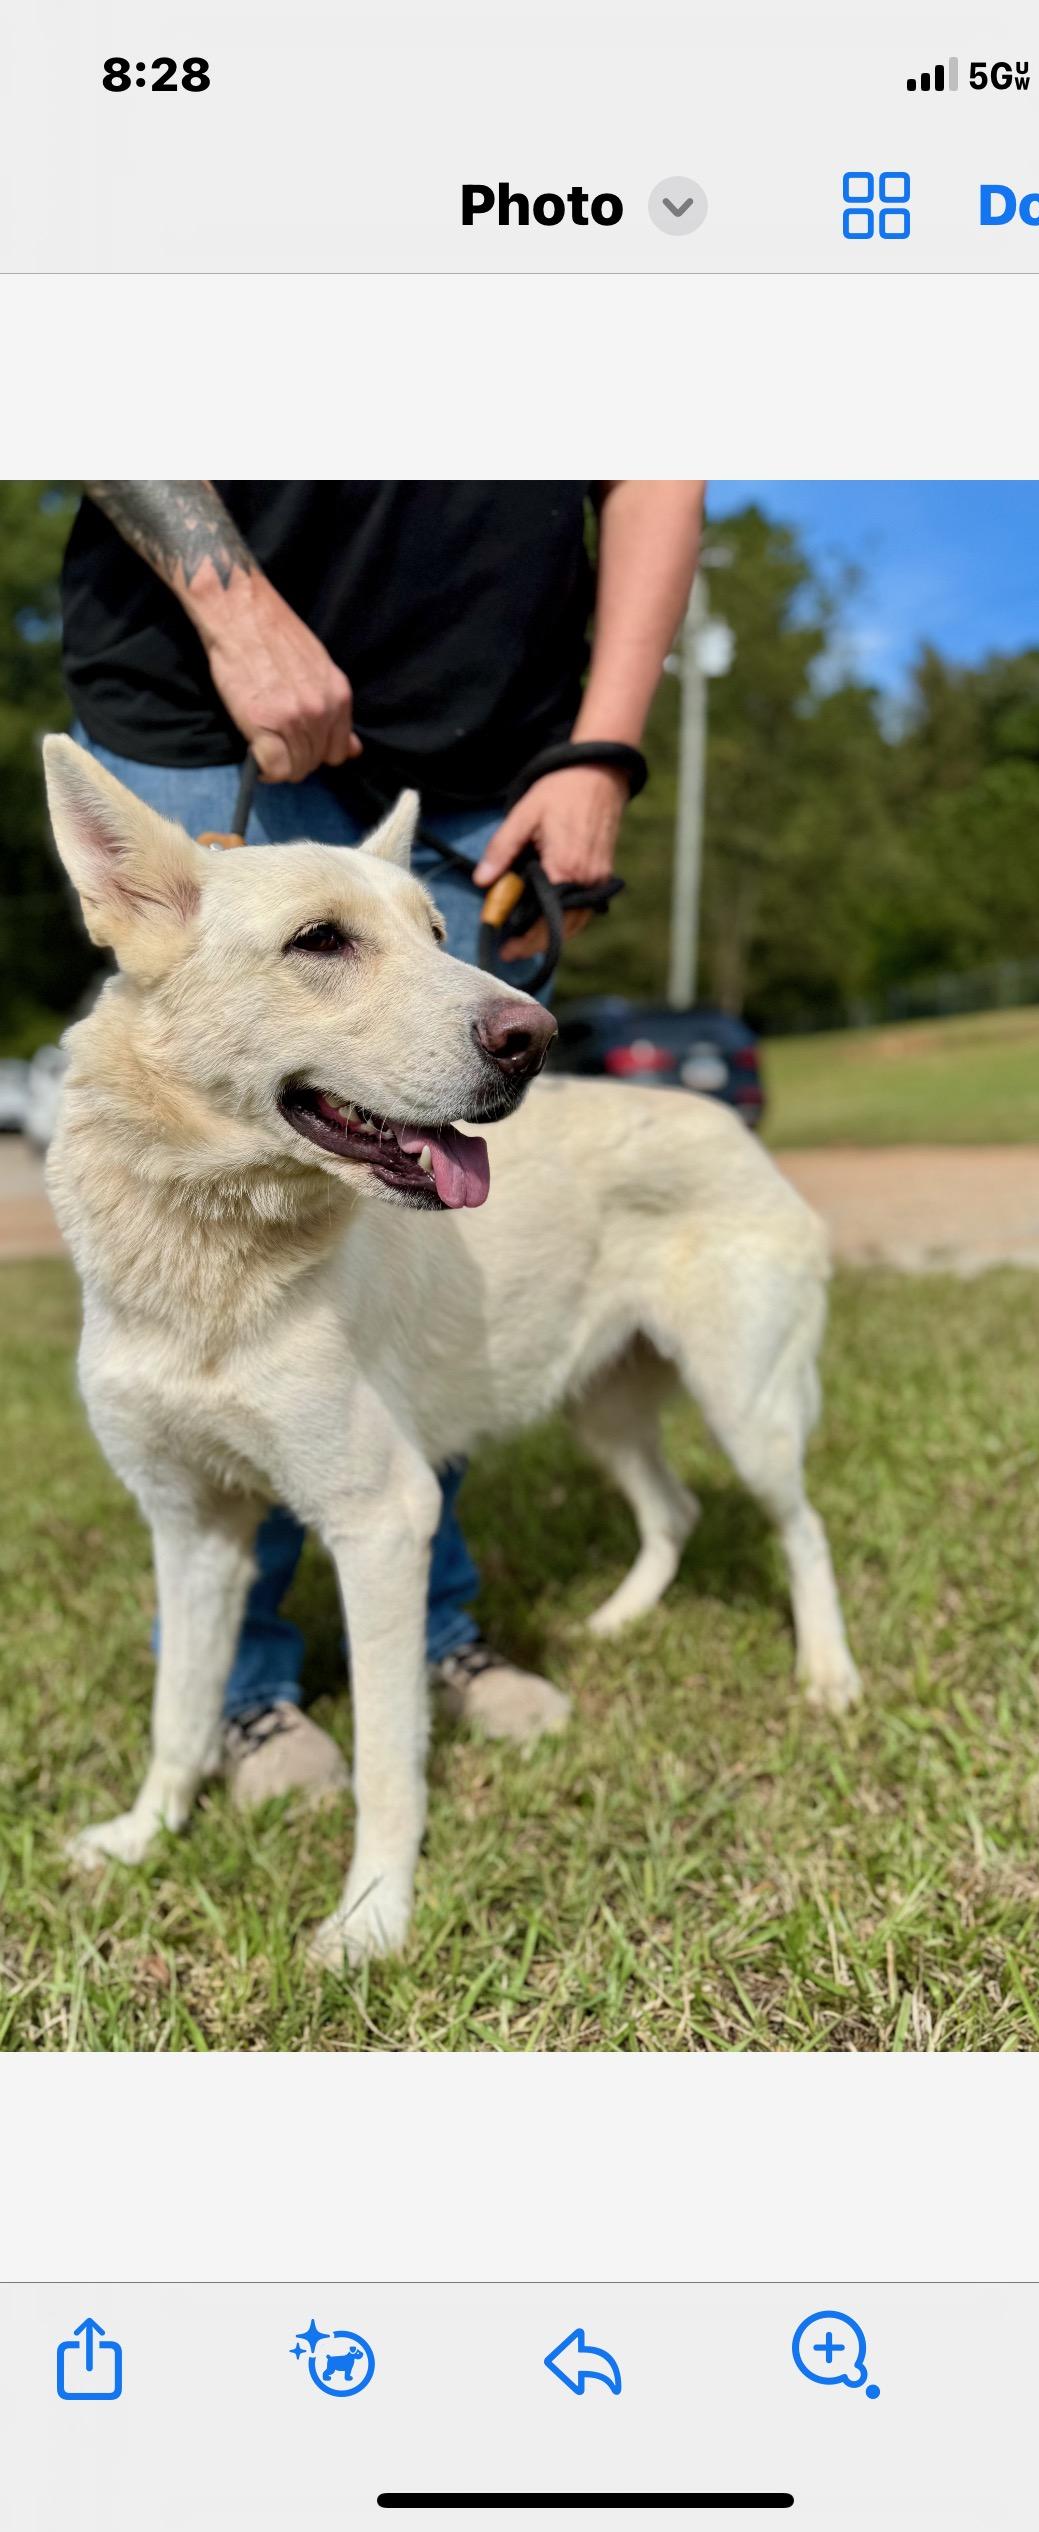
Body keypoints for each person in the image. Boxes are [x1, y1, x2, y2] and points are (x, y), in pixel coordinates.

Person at [60, 479, 704, 1804]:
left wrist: (602, 747)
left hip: (493, 752)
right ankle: (242, 1698)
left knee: (427, 1273)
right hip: (193, 692)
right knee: (194, 1255)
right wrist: (231, 609)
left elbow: (653, 459)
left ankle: (434, 1624)